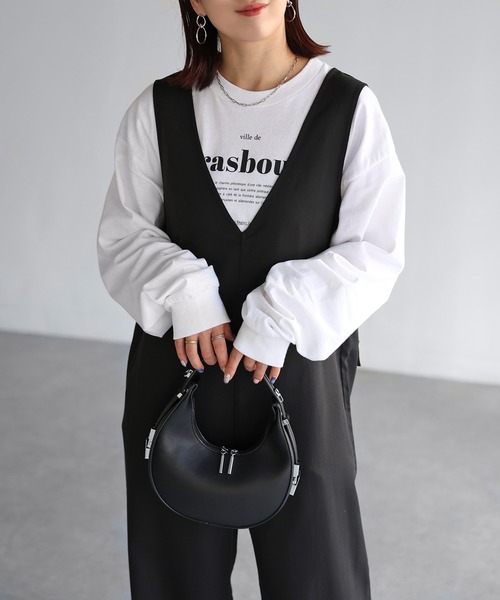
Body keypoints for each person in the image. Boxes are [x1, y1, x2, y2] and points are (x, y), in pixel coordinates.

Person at [97, 0, 405, 598]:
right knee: (176, 581)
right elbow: (124, 233)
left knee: (318, 578)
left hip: (301, 382)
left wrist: (279, 314)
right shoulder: (159, 108)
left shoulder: (348, 107)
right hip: (176, 376)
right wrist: (187, 293)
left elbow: (374, 249)